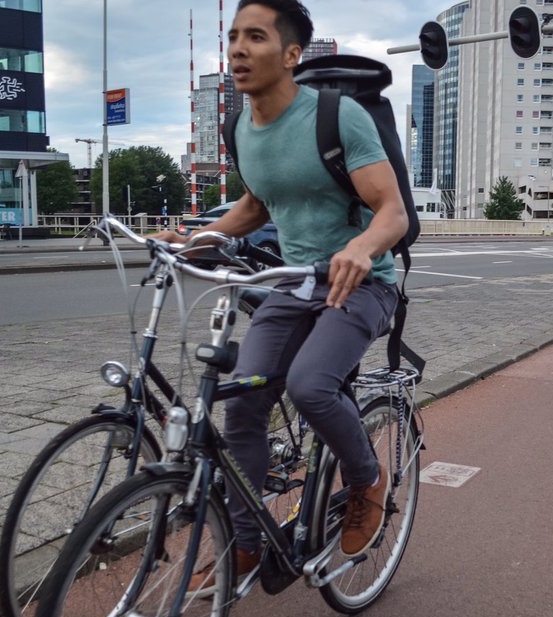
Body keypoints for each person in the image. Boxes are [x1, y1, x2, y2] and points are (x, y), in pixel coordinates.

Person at [154, 0, 409, 585]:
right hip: (292, 287)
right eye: (234, 36)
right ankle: (246, 543)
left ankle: (367, 478)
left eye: (256, 37)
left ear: (291, 55)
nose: (238, 48)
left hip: (362, 284)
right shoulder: (241, 126)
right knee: (242, 403)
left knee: (310, 385)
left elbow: (390, 210)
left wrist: (361, 248)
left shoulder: (337, 117)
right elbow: (254, 206)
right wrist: (193, 238)